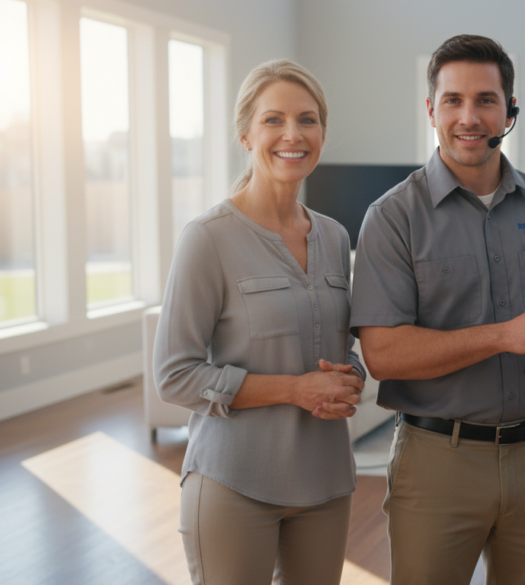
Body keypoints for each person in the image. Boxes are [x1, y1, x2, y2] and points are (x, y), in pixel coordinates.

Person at [330, 35, 525, 584]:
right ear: (431, 110)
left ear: (511, 109)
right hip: (437, 463)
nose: (469, 116)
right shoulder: (392, 217)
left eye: (486, 99)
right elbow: (383, 355)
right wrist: (502, 336)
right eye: (453, 100)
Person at [153, 59, 365, 585]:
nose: (292, 134)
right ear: (246, 134)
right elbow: (174, 375)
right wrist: (294, 389)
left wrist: (350, 374)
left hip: (326, 483)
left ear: (322, 133)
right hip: (234, 483)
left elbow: (339, 340)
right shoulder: (208, 238)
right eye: (274, 120)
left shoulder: (337, 237)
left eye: (307, 120)